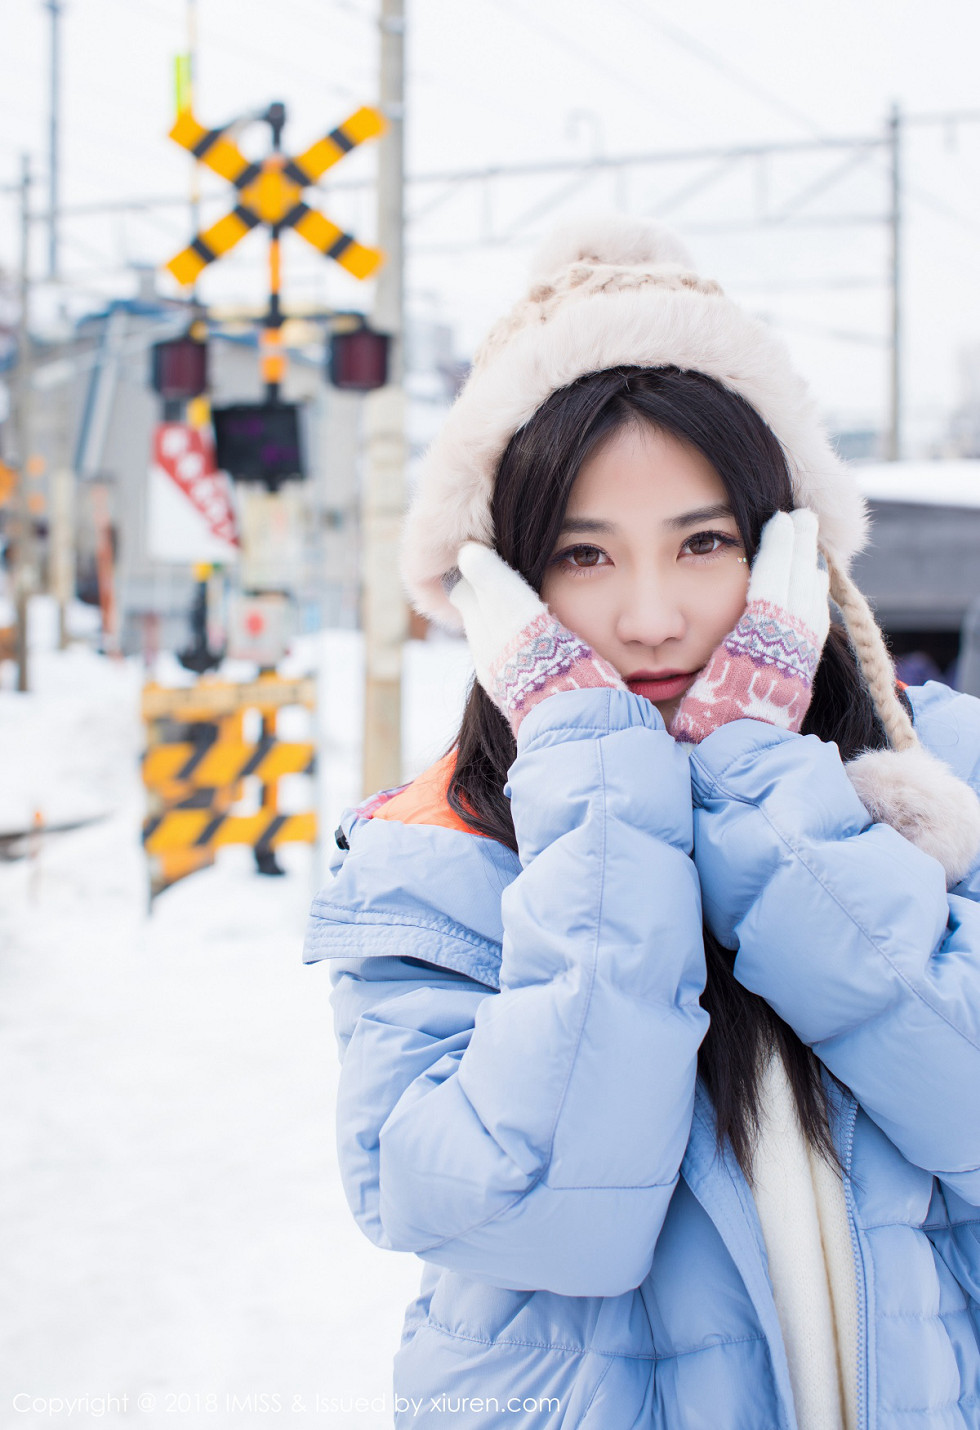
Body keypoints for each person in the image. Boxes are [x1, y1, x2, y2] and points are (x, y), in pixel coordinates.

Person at [305, 217, 980, 1430]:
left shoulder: (936, 773)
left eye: (704, 542)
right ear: (501, 581)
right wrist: (598, 780)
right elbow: (529, 1214)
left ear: (789, 553)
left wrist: (753, 781)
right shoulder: (433, 857)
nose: (654, 616)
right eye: (583, 555)